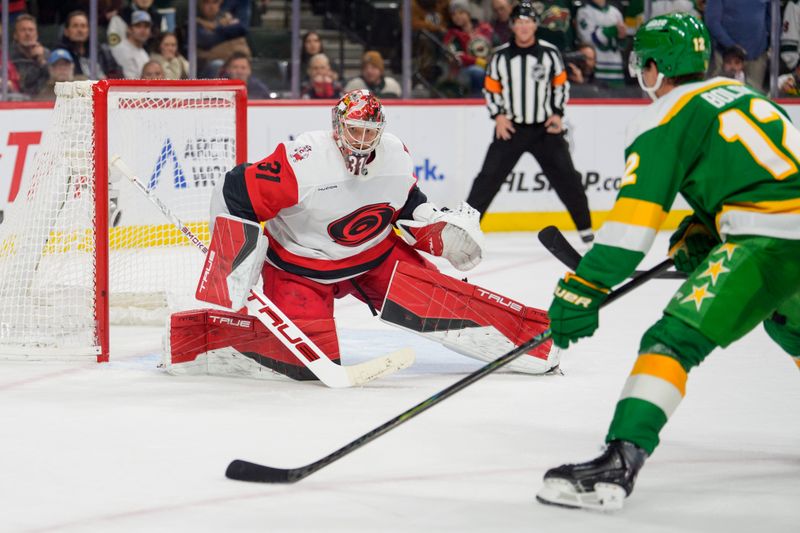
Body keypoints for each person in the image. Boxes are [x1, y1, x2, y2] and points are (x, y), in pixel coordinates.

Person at [537, 13, 800, 511]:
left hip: (768, 243)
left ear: (658, 66)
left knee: (670, 340)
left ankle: (618, 462)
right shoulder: (748, 96)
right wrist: (707, 225)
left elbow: (631, 231)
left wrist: (583, 288)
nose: (642, 72)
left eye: (645, 62)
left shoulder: (666, 115)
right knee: (791, 327)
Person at [184, 89, 558, 379]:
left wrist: (432, 223)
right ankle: (200, 340)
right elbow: (235, 191)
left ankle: (536, 340)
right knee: (307, 362)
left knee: (441, 302)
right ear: (337, 126)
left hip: (375, 256)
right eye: (353, 130)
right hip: (301, 267)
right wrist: (232, 259)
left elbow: (405, 200)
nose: (361, 140)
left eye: (369, 132)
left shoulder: (396, 154)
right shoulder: (304, 160)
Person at [467, 2, 593, 243]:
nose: (524, 26)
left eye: (528, 21)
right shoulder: (500, 56)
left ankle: (587, 235)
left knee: (569, 180)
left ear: (535, 24)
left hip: (545, 130)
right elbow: (491, 88)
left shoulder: (550, 53)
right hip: (511, 129)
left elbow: (560, 85)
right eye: (519, 22)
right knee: (486, 180)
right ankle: (463, 232)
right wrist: (499, 116)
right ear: (512, 26)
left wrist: (557, 114)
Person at [705, 0, 769, 93]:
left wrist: (765, 41)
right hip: (726, 56)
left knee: (754, 96)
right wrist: (731, 46)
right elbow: (712, 22)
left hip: (757, 55)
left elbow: (773, 19)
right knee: (722, 94)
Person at [443, 0, 495, 97]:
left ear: (468, 13)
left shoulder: (484, 28)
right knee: (477, 72)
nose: (457, 17)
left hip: (490, 66)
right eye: (454, 14)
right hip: (464, 70)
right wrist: (479, 62)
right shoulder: (452, 35)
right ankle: (477, 102)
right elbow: (458, 56)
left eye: (461, 12)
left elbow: (497, 44)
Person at [575, 0, 627, 87]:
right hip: (596, 70)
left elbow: (621, 46)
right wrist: (612, 30)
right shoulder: (584, 12)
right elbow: (587, 39)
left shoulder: (615, 12)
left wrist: (622, 37)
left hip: (616, 69)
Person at [57, 10, 121, 79]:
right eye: (75, 26)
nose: (80, 30)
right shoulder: (60, 55)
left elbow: (116, 75)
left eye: (83, 26)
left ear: (89, 31)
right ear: (66, 31)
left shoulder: (102, 52)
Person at [10, 14, 50, 96]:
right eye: (23, 30)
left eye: (31, 30)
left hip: (44, 100)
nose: (28, 33)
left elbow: (53, 80)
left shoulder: (47, 54)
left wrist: (41, 61)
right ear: (15, 35)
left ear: (37, 34)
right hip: (17, 101)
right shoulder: (8, 56)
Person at [110, 10, 152, 79]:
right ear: (129, 29)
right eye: (138, 26)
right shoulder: (122, 49)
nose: (143, 30)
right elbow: (130, 82)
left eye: (146, 26)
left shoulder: (143, 53)